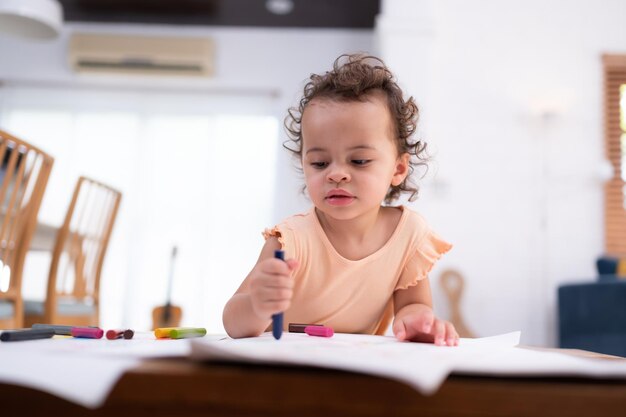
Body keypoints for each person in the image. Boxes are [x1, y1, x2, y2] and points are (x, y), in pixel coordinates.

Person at [223, 53, 458, 346]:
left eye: (358, 161)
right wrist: (258, 305)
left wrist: (417, 321)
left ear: (397, 169)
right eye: (320, 163)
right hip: (285, 369)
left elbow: (412, 306)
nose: (336, 174)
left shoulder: (409, 235)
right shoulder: (291, 240)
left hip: (353, 376)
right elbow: (233, 321)